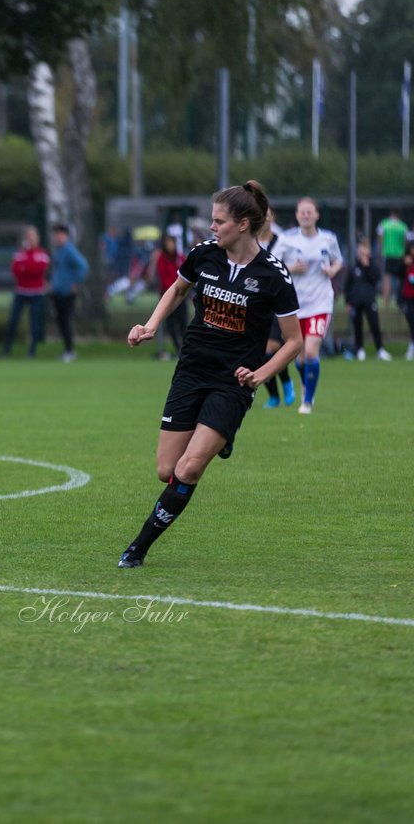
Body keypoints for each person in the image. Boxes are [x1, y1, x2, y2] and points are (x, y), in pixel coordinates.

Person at [118, 181, 301, 568]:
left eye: (219, 221)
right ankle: (220, 439)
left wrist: (260, 374)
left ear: (245, 224)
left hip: (232, 383)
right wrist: (150, 325)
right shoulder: (204, 255)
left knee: (188, 468)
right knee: (166, 470)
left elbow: (293, 342)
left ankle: (138, 547)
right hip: (192, 370)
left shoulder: (273, 275)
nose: (212, 227)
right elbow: (177, 290)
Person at [274, 197, 343, 415]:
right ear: (296, 215)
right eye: (302, 212)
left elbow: (338, 261)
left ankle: (308, 401)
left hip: (321, 302)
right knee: (301, 356)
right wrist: (290, 268)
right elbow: (272, 265)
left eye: (309, 212)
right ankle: (306, 390)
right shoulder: (287, 239)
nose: (306, 215)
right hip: (296, 305)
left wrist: (332, 271)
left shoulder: (328, 239)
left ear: (316, 215)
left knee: (311, 351)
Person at [254, 209, 296, 407]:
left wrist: (289, 268)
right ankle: (274, 394)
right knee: (261, 353)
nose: (265, 218)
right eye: (261, 214)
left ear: (273, 218)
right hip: (256, 304)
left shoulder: (284, 242)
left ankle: (285, 385)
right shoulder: (250, 242)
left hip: (277, 305)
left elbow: (297, 266)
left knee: (271, 348)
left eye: (268, 214)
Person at [3, 225, 50, 358]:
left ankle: (32, 350)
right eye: (28, 236)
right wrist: (27, 269)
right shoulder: (19, 253)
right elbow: (16, 271)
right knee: (13, 321)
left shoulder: (42, 253)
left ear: (37, 238)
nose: (30, 239)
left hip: (36, 292)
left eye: (32, 236)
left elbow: (39, 270)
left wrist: (26, 268)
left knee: (34, 323)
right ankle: (7, 349)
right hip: (21, 292)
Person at [343, 239, 390, 362]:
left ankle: (380, 350)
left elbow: (375, 279)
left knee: (374, 325)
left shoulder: (373, 266)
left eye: (365, 249)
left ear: (369, 251)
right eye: (360, 249)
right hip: (356, 303)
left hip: (370, 301)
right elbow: (347, 286)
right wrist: (347, 302)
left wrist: (367, 266)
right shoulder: (354, 268)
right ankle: (360, 350)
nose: (362, 251)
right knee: (357, 326)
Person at [48, 224, 90, 362]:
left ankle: (70, 351)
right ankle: (67, 350)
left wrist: (75, 283)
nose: (57, 237)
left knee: (65, 321)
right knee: (61, 321)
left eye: (60, 235)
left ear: (66, 236)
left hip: (67, 293)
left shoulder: (68, 250)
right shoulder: (58, 251)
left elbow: (83, 266)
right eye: (56, 234)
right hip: (58, 292)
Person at [148, 234, 188, 361]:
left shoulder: (180, 257)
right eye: (168, 243)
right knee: (171, 326)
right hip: (168, 296)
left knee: (183, 325)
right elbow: (163, 277)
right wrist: (173, 289)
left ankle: (186, 351)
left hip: (181, 297)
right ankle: (179, 350)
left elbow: (186, 274)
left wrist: (181, 289)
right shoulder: (162, 258)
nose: (171, 245)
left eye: (173, 243)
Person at [376, 208, 408, 302]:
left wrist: (382, 249)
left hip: (387, 253)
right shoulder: (403, 226)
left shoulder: (384, 224)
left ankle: (386, 301)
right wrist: (404, 251)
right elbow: (406, 241)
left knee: (386, 278)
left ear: (391, 213)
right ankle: (400, 298)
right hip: (400, 254)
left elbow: (380, 237)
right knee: (400, 278)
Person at [400, 240, 414, 360]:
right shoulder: (405, 261)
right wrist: (404, 264)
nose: (413, 251)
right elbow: (399, 275)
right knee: (412, 321)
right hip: (407, 296)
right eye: (411, 249)